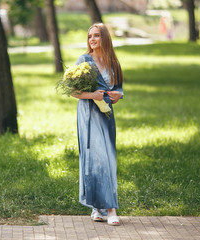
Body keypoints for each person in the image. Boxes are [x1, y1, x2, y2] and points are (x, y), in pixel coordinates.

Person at [72, 23, 124, 226]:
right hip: (88, 114)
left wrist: (117, 95)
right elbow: (74, 91)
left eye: (97, 36)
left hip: (107, 114)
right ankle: (99, 209)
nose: (92, 39)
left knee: (108, 159)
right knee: (93, 159)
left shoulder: (113, 63)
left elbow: (119, 90)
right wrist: (92, 95)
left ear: (105, 38)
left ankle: (109, 208)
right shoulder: (83, 61)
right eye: (89, 36)